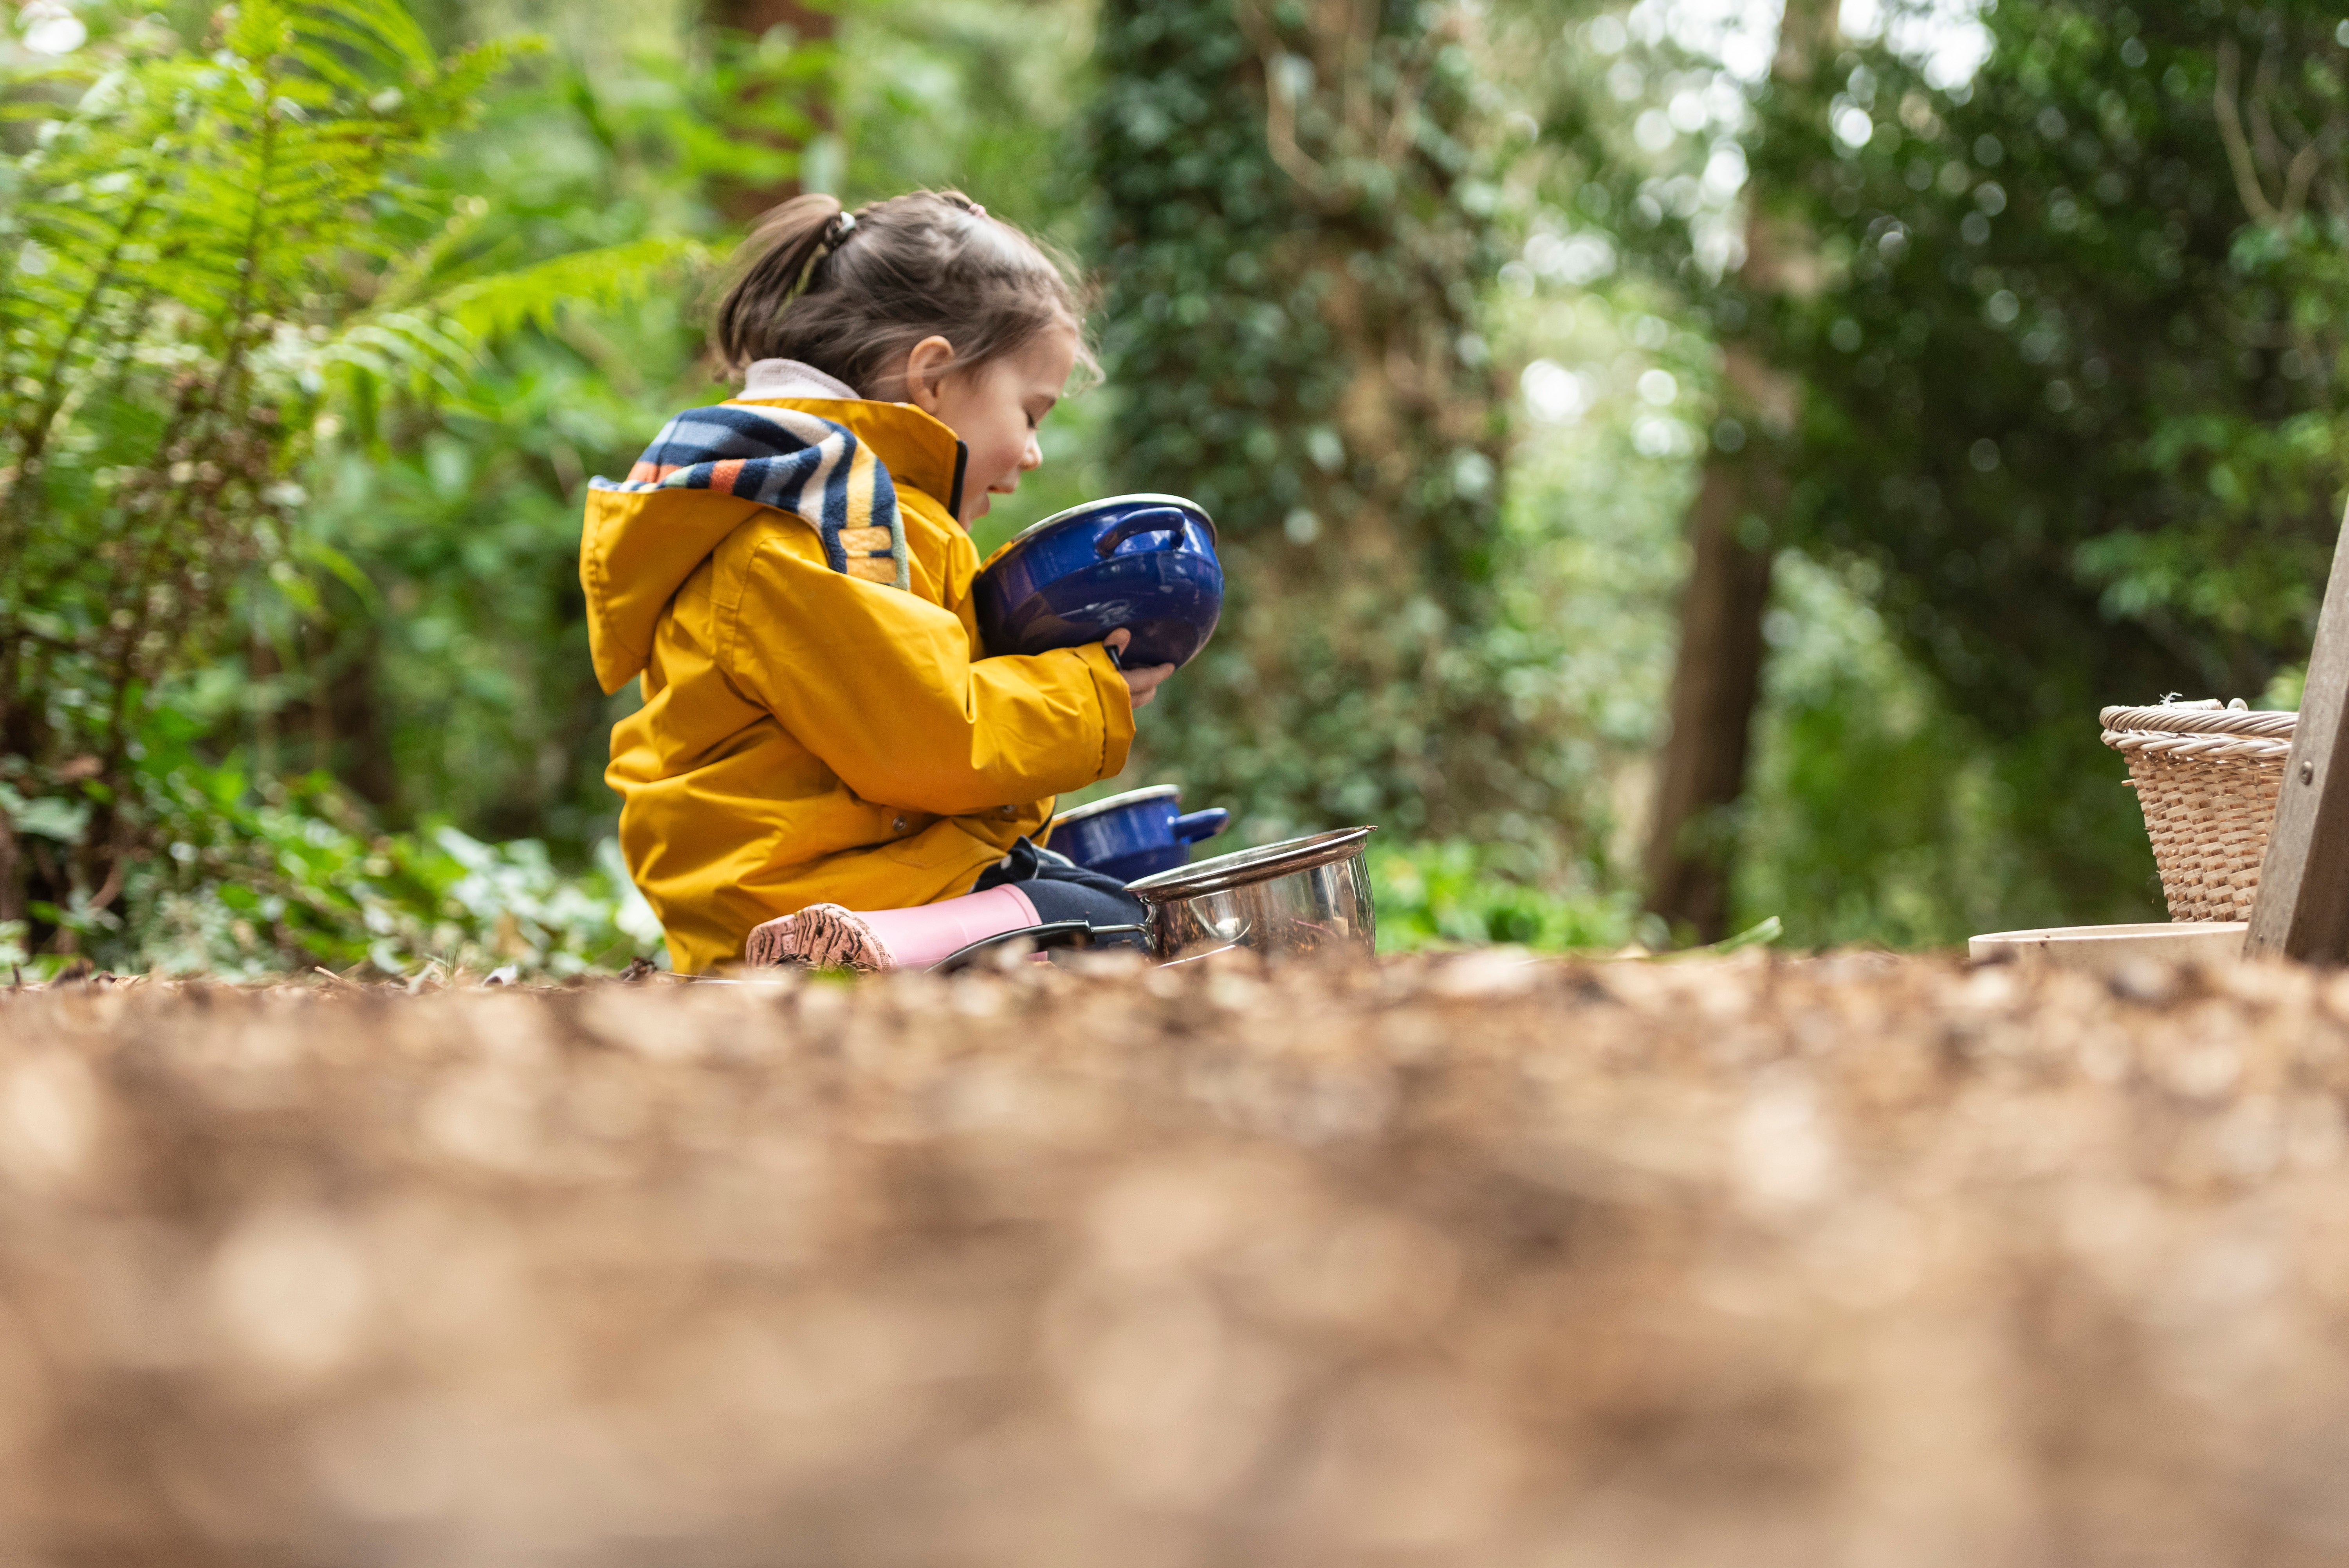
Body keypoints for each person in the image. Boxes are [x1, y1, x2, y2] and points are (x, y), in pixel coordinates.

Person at [580, 189, 1174, 973]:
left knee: (1100, 897)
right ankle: (858, 952)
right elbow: (931, 741)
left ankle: (885, 944)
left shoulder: (854, 507)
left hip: (847, 868)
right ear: (933, 377)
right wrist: (1089, 692)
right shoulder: (809, 526)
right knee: (1107, 924)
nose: (1032, 452)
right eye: (1030, 414)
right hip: (793, 894)